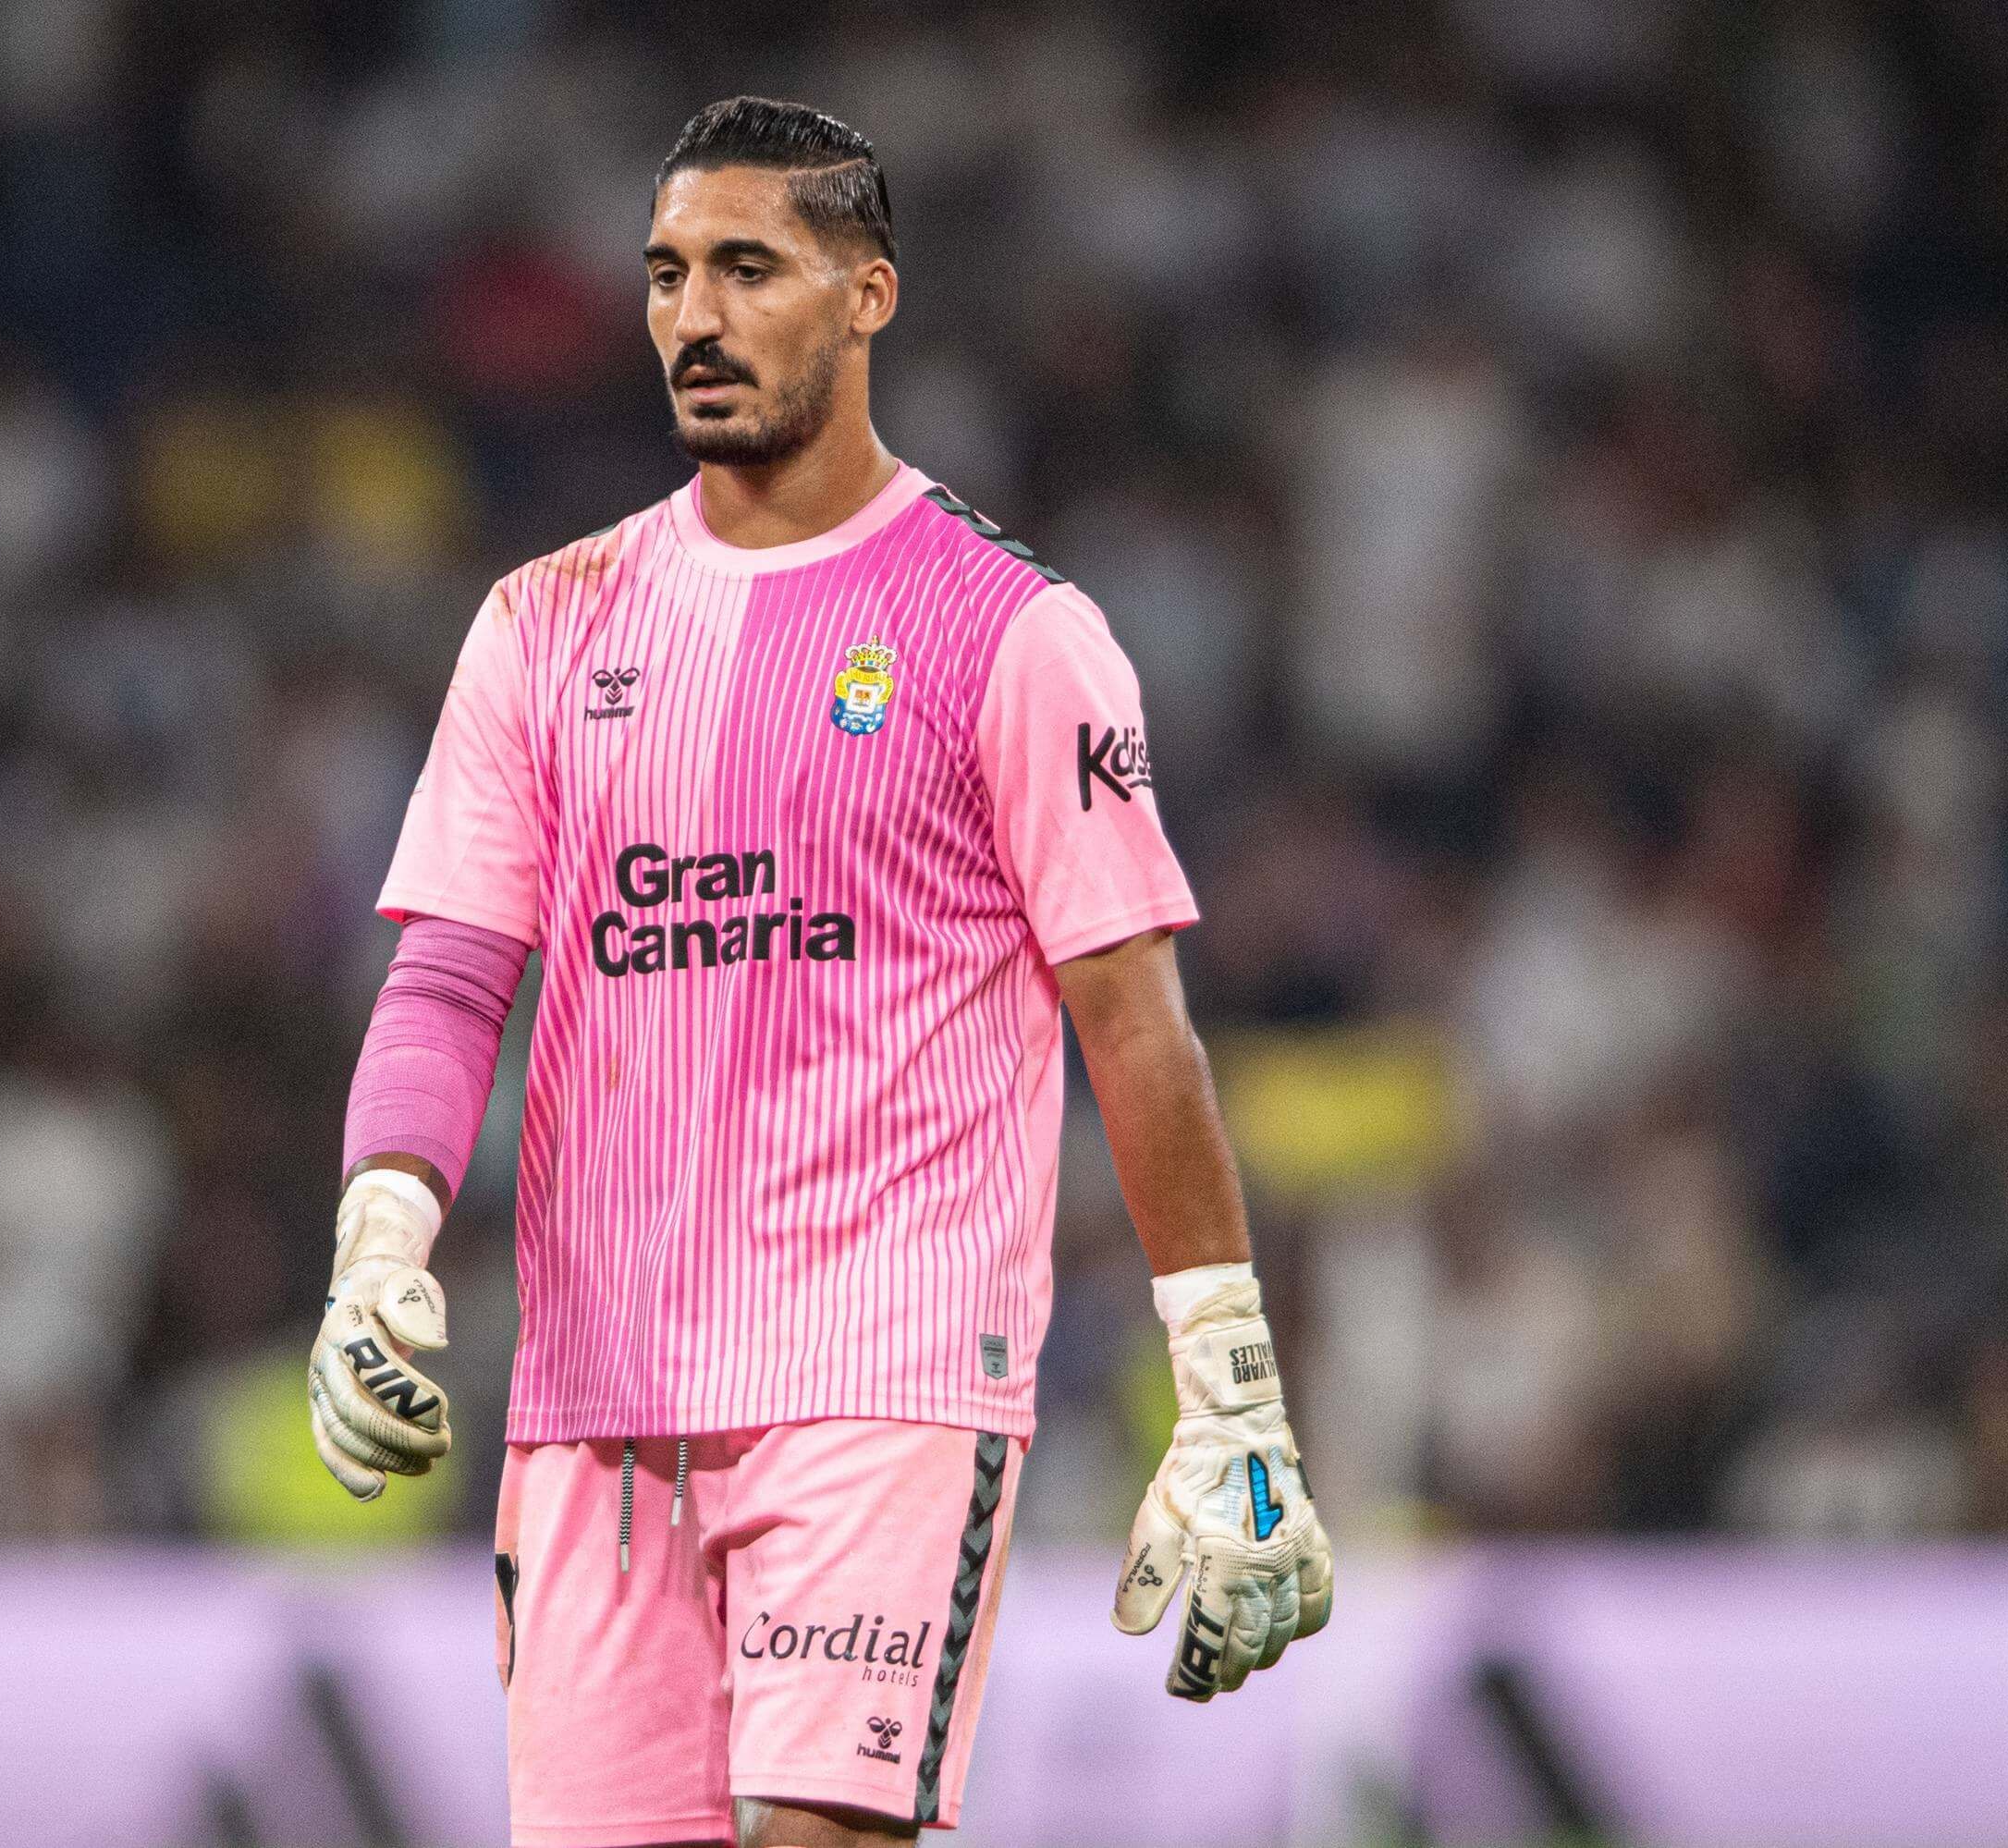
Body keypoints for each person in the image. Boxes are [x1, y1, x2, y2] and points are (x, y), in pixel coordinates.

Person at [312, 97, 1332, 1848]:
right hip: (596, 1412)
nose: (694, 318)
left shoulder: (1014, 632)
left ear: (869, 295)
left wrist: (1229, 1392)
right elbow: (451, 980)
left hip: (884, 1382)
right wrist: (377, 1245)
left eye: (748, 269)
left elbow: (1135, 1027)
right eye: (666, 276)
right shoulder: (542, 623)